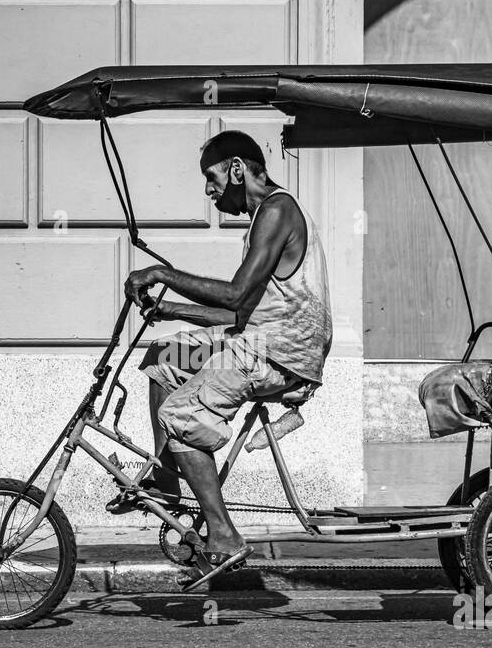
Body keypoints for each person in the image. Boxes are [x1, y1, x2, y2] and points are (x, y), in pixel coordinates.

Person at [118, 130, 332, 584]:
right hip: (260, 338)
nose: (210, 190)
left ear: (237, 169)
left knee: (179, 413)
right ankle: (167, 478)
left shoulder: (277, 210)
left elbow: (236, 294)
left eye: (212, 178)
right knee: (162, 354)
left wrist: (163, 273)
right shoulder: (264, 218)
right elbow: (240, 307)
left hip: (278, 353)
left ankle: (223, 535)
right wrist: (171, 308)